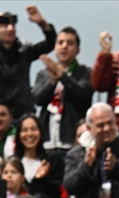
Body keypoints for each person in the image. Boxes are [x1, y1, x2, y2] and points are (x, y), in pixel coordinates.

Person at [0, 6, 56, 118]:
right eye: (4, 26)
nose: (10, 29)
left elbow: (51, 43)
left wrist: (42, 23)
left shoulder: (25, 50)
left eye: (13, 25)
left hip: (22, 112)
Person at [32, 27, 92, 155]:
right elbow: (37, 99)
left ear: (78, 50)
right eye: (60, 43)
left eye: (70, 43)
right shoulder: (44, 74)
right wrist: (52, 83)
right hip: (47, 141)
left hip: (73, 140)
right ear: (54, 48)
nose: (64, 47)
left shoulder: (85, 72)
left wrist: (62, 76)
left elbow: (81, 94)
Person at [12, 113, 65, 198]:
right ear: (18, 134)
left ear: (41, 132)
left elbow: (56, 197)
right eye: (25, 130)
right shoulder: (13, 163)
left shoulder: (52, 159)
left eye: (34, 129)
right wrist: (37, 179)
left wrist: (41, 180)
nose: (29, 134)